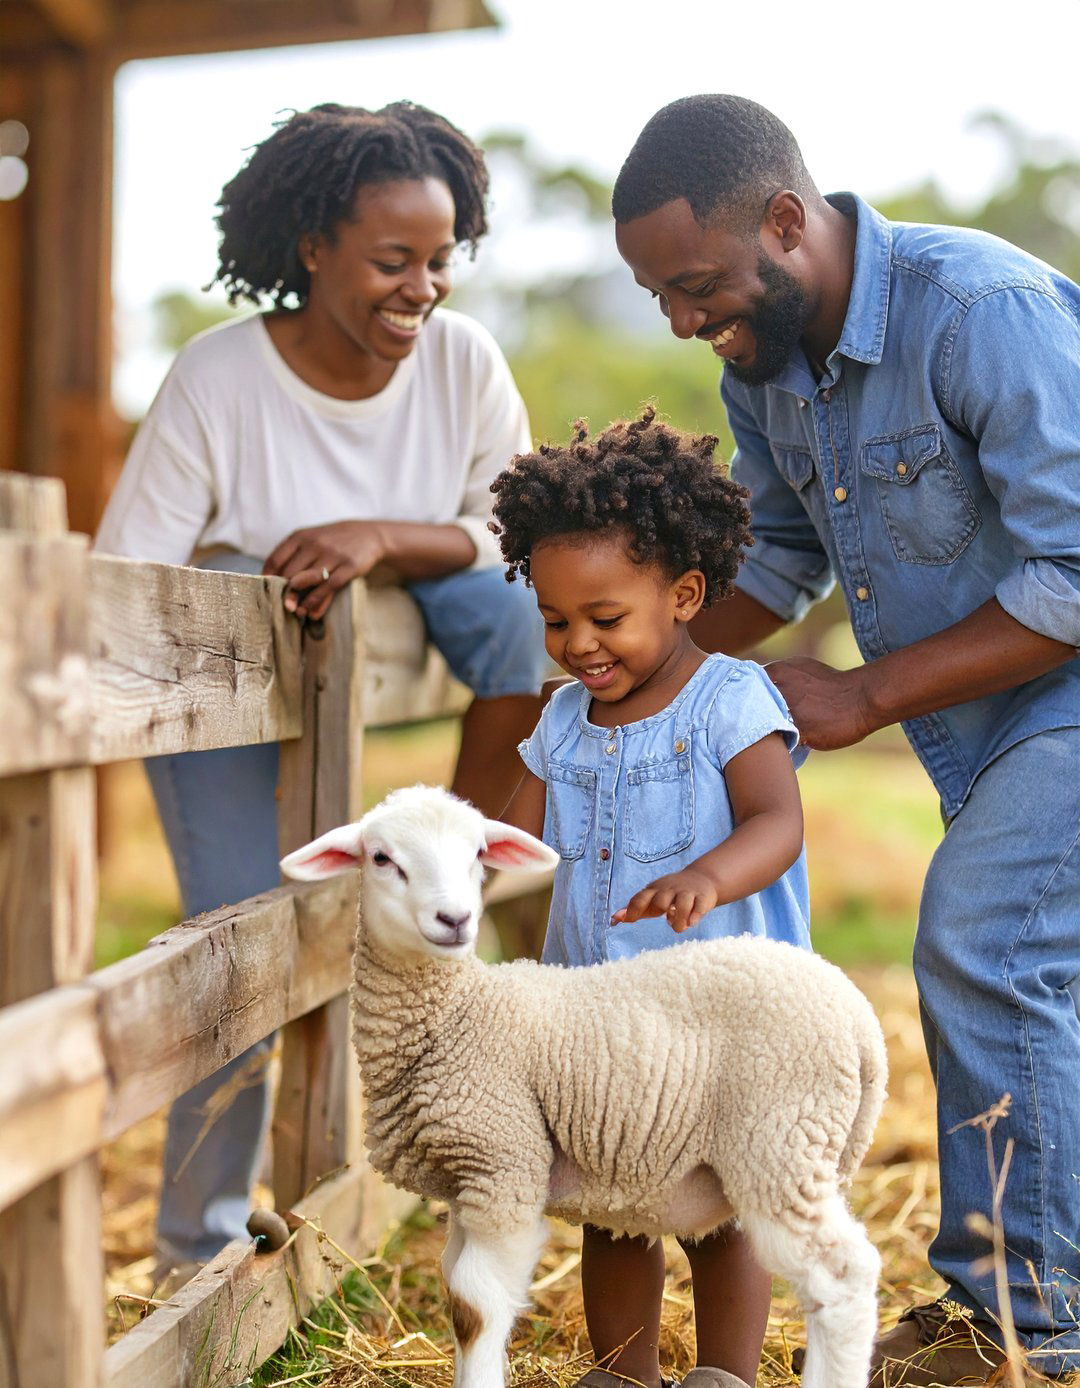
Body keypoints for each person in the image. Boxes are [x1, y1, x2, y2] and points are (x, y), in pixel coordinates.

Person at [611, 94, 1080, 1386]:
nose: (685, 321)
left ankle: (1022, 1329)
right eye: (658, 296)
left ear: (785, 220)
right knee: (1032, 967)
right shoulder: (766, 366)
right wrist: (643, 668)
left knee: (985, 942)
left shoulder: (980, 312)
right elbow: (779, 552)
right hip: (989, 717)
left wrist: (867, 696)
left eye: (696, 284)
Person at [95, 101, 549, 1277]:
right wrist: (266, 570)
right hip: (227, 685)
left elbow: (523, 534)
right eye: (393, 261)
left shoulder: (463, 364)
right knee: (242, 946)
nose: (424, 288)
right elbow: (127, 574)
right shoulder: (219, 377)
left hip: (409, 656)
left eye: (441, 259)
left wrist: (378, 536)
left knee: (508, 603)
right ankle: (194, 1249)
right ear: (312, 248)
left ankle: (464, 854)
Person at [491, 408, 810, 1388]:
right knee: (613, 1204)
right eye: (554, 620)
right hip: (600, 1023)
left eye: (605, 618)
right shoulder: (561, 721)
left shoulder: (730, 699)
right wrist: (464, 864)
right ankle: (622, 1372)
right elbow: (513, 833)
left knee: (721, 1208)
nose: (578, 643)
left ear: (681, 594)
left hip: (719, 1021)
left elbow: (776, 821)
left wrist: (708, 874)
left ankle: (723, 1370)